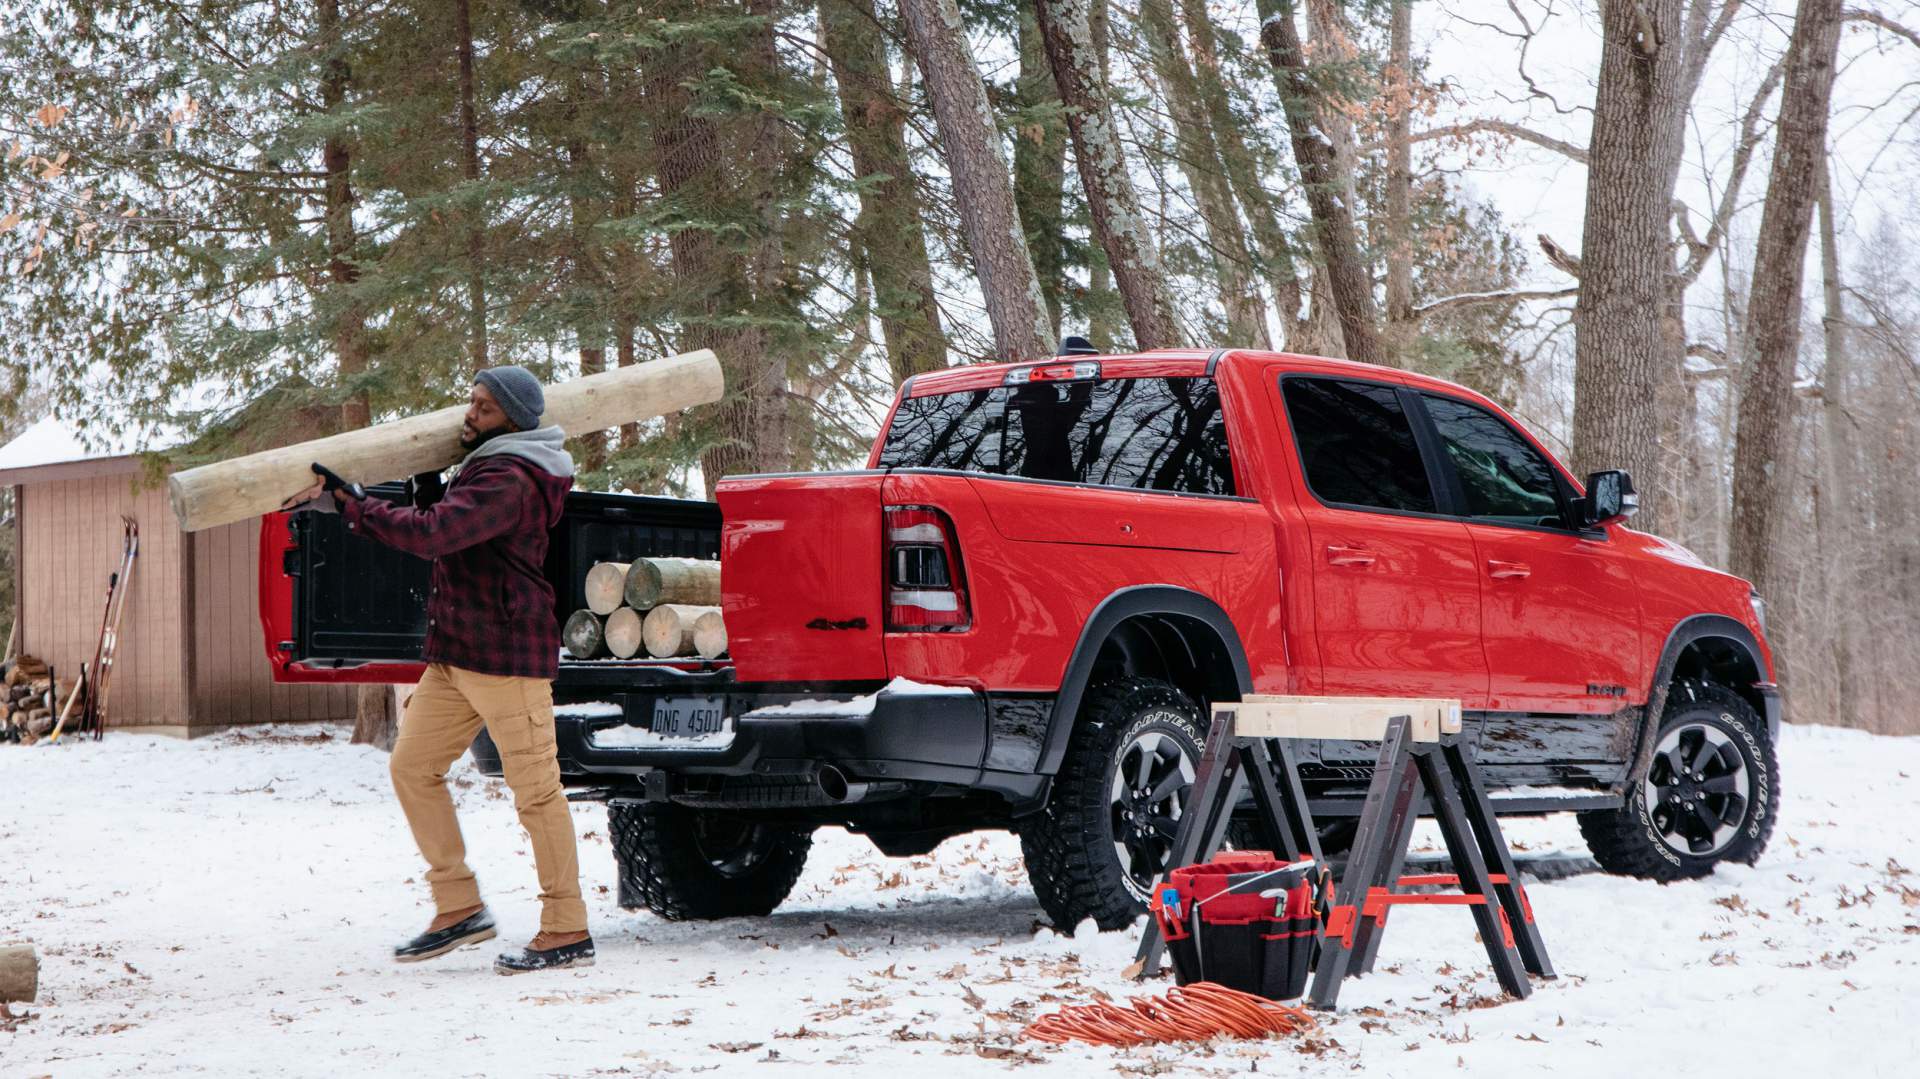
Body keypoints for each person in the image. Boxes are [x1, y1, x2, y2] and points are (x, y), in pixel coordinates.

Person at [286, 365, 591, 974]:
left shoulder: (513, 476)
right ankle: (459, 907)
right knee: (412, 767)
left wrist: (356, 506)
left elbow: (438, 535)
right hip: (457, 653)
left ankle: (567, 927)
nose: (469, 414)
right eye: (471, 401)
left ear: (512, 418)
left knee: (536, 794)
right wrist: (427, 483)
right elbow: (455, 528)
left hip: (506, 656)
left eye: (482, 406)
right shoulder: (491, 463)